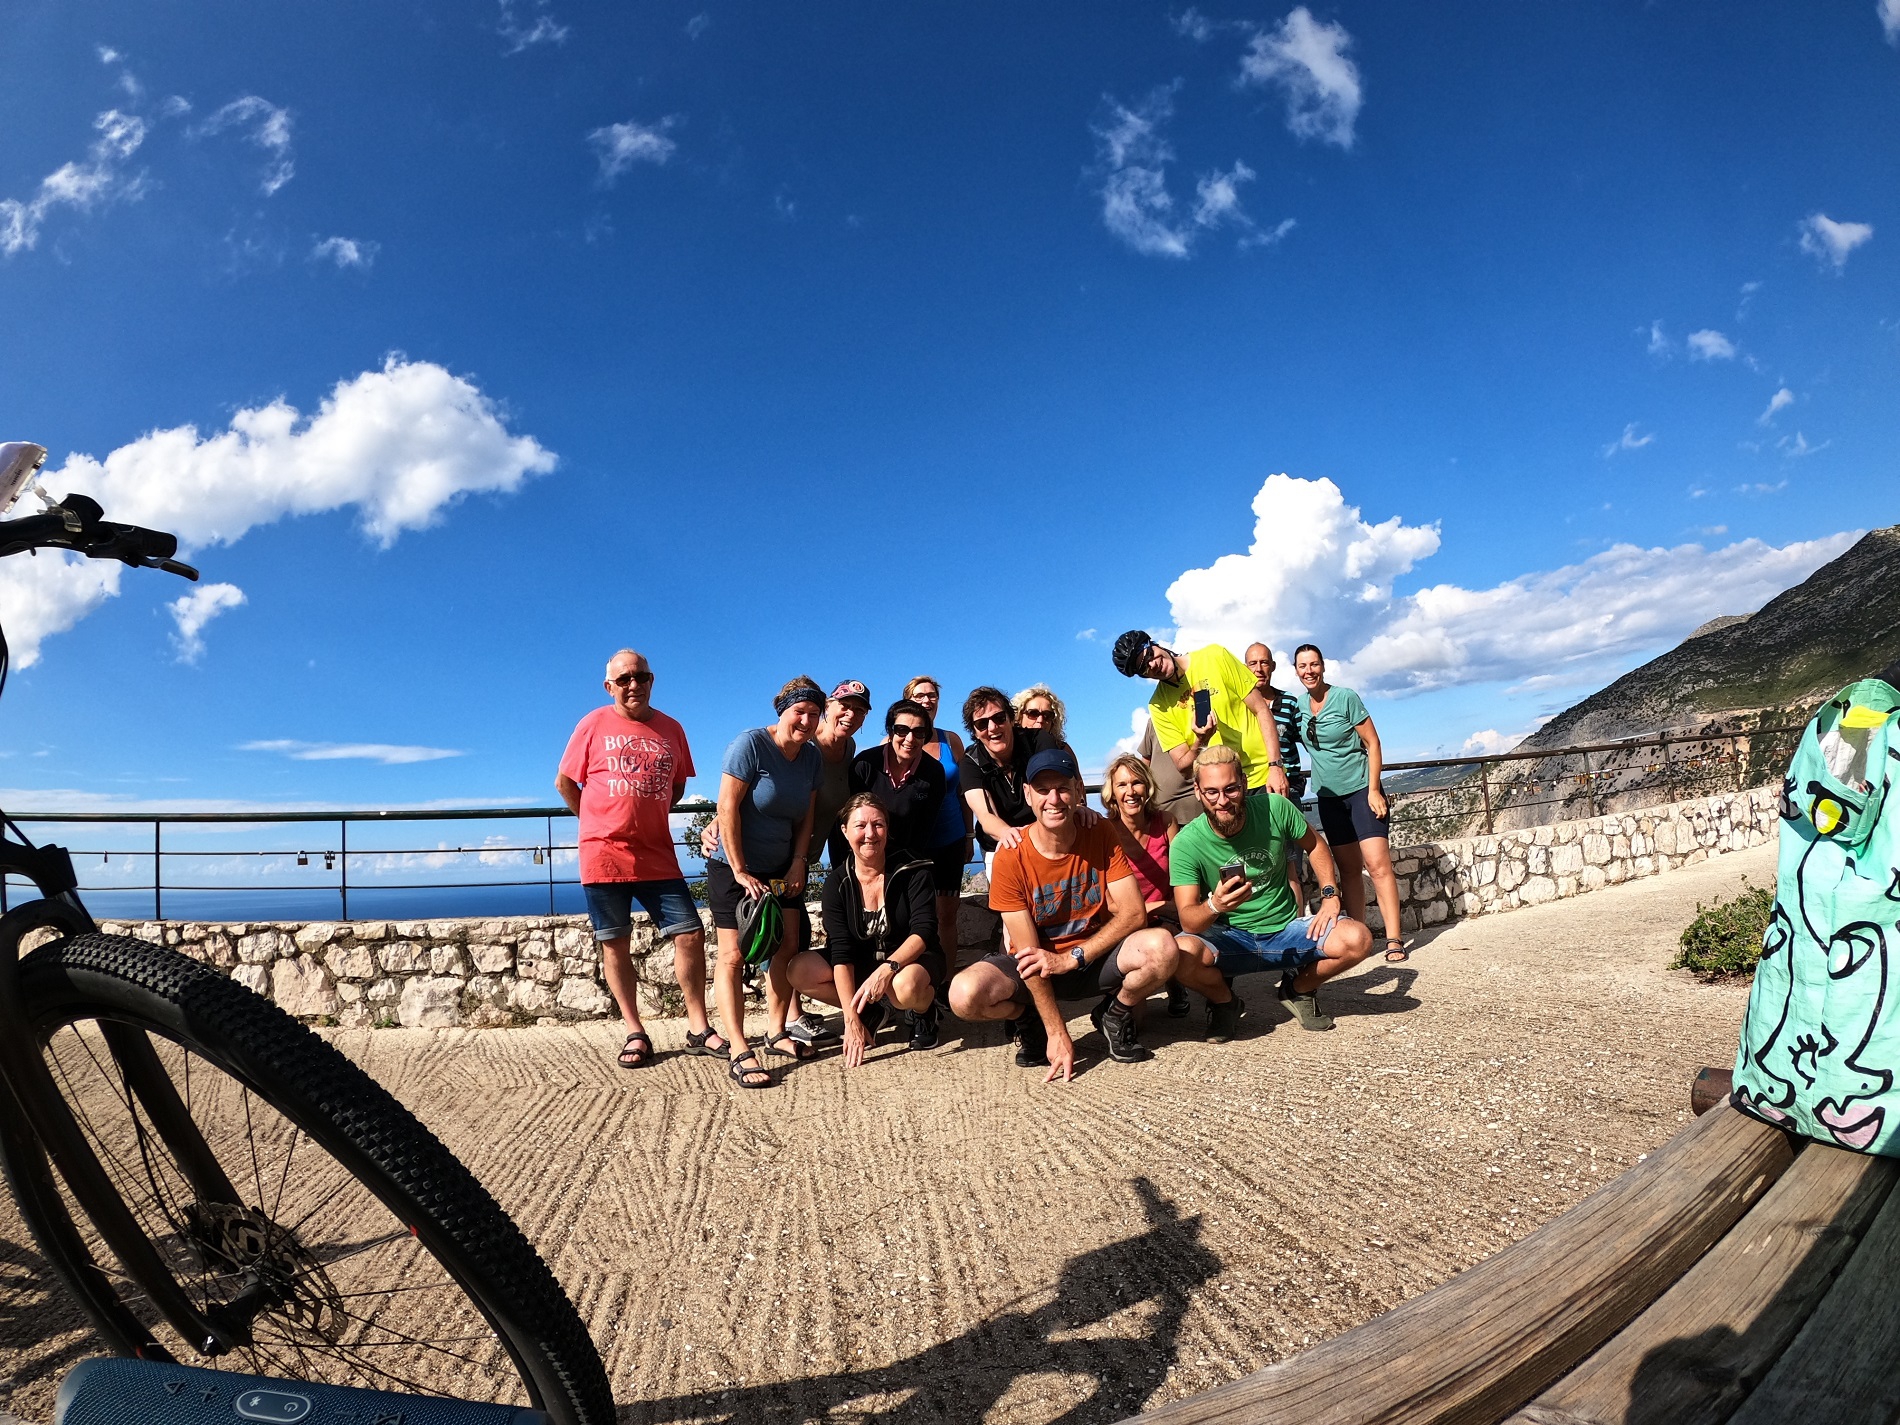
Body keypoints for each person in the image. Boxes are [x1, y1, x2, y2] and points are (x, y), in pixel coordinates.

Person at [948, 748, 1225, 1077]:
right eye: (1042, 790)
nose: (1054, 799)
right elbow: (1028, 952)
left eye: (1062, 788)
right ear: (1027, 794)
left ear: (1079, 790)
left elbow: (1134, 913)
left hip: (1092, 959)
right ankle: (1027, 1019)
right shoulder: (1012, 854)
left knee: (1163, 946)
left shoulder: (1099, 832)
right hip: (1038, 965)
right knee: (964, 995)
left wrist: (1073, 958)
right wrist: (1056, 1030)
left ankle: (1115, 1014)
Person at [556, 649, 718, 1069]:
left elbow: (677, 786)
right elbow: (565, 783)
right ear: (609, 686)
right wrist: (596, 821)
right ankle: (635, 1030)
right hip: (603, 855)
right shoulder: (592, 723)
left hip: (656, 853)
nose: (634, 685)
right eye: (624, 679)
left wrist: (645, 812)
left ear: (651, 680)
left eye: (641, 677)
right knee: (615, 943)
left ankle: (698, 1027)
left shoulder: (672, 728)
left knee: (690, 934)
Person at [1171, 744, 1374, 1030]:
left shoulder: (1275, 808)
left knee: (1358, 939)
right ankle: (1224, 1002)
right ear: (1197, 791)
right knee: (1177, 954)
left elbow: (1316, 845)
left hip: (1286, 931)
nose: (1222, 801)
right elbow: (1188, 920)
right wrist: (1215, 905)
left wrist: (1330, 894)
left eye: (1231, 789)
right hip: (1229, 938)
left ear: (1244, 783)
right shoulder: (1186, 843)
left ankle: (1298, 989)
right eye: (1211, 792)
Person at [704, 677, 826, 1089]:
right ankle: (740, 1047)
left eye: (814, 713)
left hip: (781, 867)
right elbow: (727, 807)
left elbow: (806, 817)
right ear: (782, 711)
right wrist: (739, 869)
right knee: (733, 956)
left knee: (786, 948)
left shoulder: (811, 757)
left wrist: (799, 863)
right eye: (799, 712)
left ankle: (776, 1031)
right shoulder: (750, 745)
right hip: (733, 867)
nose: (806, 721)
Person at [787, 795, 947, 1059]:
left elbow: (924, 931)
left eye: (878, 825)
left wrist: (888, 968)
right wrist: (851, 1018)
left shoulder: (913, 869)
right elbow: (841, 951)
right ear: (845, 831)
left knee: (903, 989)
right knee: (799, 969)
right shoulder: (837, 883)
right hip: (864, 961)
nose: (870, 834)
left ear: (887, 829)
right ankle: (870, 1010)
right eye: (860, 826)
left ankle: (925, 1011)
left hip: (913, 959)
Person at [1292, 644, 1408, 963]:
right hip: (1328, 797)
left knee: (1377, 865)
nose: (1309, 671)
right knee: (1349, 870)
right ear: (1296, 671)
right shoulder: (1298, 706)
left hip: (1361, 791)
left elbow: (1373, 742)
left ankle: (1395, 939)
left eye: (1314, 664)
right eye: (1302, 666)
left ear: (1323, 666)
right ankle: (1361, 938)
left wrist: (1374, 790)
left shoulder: (1345, 698)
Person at [1111, 631, 1291, 797]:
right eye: (1144, 668)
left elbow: (1261, 709)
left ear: (1154, 644)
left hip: (1264, 777)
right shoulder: (1159, 705)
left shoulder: (1215, 656)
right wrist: (1200, 741)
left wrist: (1275, 766)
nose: (1153, 664)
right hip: (1221, 793)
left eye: (1149, 655)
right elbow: (1183, 768)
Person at [1100, 751, 1192, 1018]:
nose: (1130, 791)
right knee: (1136, 1021)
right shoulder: (1104, 831)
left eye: (1137, 782)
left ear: (1147, 786)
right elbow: (1109, 904)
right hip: (1126, 921)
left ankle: (1175, 982)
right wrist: (1153, 908)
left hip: (1166, 918)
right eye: (1122, 784)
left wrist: (1168, 909)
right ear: (1112, 793)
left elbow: (1182, 876)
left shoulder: (1166, 822)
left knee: (1174, 938)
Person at [850, 699, 948, 857]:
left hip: (908, 858)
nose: (910, 738)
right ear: (890, 732)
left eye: (918, 732)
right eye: (902, 730)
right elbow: (852, 820)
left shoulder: (933, 772)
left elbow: (925, 829)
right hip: (864, 855)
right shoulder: (865, 765)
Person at [1243, 643, 1307, 802]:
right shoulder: (1239, 706)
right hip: (1251, 789)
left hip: (1287, 786)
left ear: (1273, 666)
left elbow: (1309, 742)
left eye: (1264, 662)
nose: (1258, 669)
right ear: (1245, 668)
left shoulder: (1289, 702)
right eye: (1253, 663)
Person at [1137, 717, 1201, 827]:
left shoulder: (1205, 718)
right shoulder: (1156, 719)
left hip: (1195, 813)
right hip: (1158, 813)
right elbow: (1145, 762)